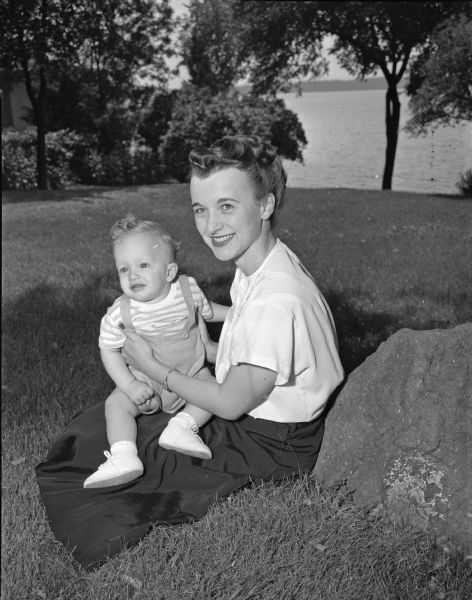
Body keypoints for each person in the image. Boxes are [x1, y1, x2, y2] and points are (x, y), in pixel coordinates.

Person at [36, 135, 344, 571]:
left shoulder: (277, 299)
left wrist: (155, 368)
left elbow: (232, 403)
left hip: (272, 441)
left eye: (226, 206)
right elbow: (242, 335)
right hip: (251, 404)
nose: (211, 224)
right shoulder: (259, 263)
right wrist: (203, 332)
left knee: (133, 468)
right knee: (98, 427)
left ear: (265, 205)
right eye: (200, 209)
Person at [83, 215, 230, 489]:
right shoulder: (120, 312)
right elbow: (108, 350)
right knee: (116, 404)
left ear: (170, 272)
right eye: (124, 269)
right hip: (145, 380)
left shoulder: (188, 290)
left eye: (143, 265)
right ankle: (124, 456)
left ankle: (183, 426)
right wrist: (130, 385)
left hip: (191, 373)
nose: (133, 275)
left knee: (213, 387)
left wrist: (236, 313)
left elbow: (208, 311)